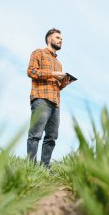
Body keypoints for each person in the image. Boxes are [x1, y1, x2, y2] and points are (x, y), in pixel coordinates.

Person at [26, 28, 72, 167]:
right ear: (49, 38)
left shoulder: (59, 64)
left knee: (52, 137)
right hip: (41, 98)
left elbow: (57, 85)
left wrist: (63, 82)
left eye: (61, 39)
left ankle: (44, 167)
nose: (60, 40)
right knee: (35, 134)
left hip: (55, 103)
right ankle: (31, 168)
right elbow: (31, 71)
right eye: (58, 38)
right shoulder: (38, 53)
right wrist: (52, 74)